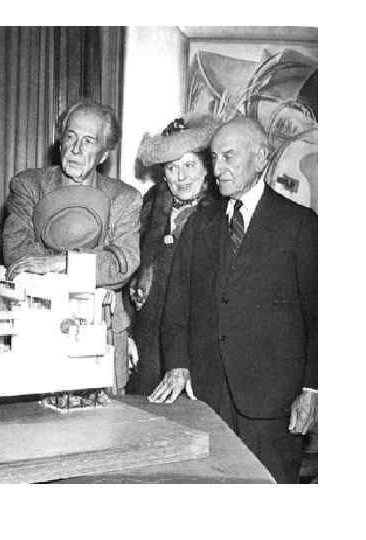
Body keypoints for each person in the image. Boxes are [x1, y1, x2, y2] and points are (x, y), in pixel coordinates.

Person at [149, 117, 317, 483]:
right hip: (209, 396)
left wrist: (312, 389)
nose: (217, 169)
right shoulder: (200, 224)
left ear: (261, 159)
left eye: (228, 156)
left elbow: (320, 317)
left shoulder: (301, 225)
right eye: (213, 158)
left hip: (274, 404)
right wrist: (177, 364)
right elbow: (176, 304)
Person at [2, 98, 142, 392]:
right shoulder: (29, 186)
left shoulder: (124, 199)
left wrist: (62, 262)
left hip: (101, 335)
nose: (76, 149)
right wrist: (90, 265)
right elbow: (18, 253)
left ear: (104, 154)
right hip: (38, 331)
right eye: (71, 136)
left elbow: (122, 263)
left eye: (89, 141)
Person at [125, 115, 221, 395]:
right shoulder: (149, 205)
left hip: (197, 348)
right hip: (146, 343)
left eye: (190, 165)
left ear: (206, 167)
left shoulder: (220, 213)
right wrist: (126, 334)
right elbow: (130, 270)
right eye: (172, 167)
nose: (181, 177)